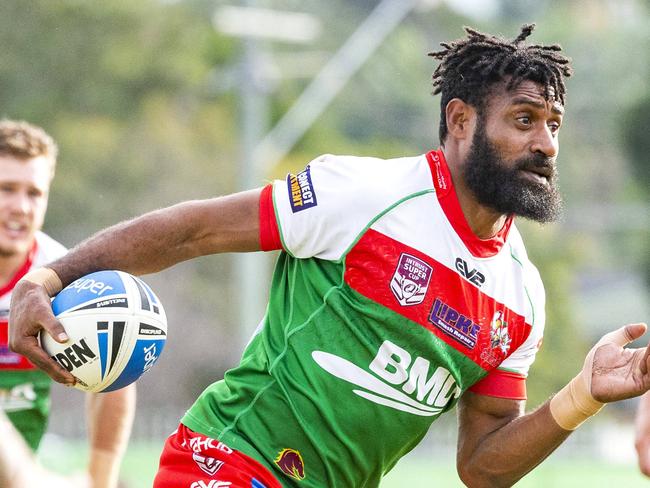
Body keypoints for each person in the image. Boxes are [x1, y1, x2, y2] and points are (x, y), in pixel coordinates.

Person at [8, 25, 650, 488]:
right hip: (230, 459)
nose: (546, 143)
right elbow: (192, 230)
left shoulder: (521, 297)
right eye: (524, 119)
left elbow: (481, 466)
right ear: (460, 121)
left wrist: (582, 396)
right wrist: (50, 275)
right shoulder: (363, 192)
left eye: (554, 125)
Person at [0, 119, 135, 488]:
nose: (21, 207)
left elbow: (116, 370)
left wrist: (100, 480)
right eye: (7, 189)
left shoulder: (64, 279)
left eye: (34, 193)